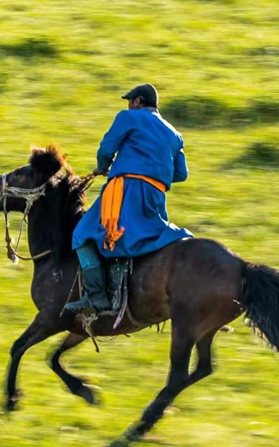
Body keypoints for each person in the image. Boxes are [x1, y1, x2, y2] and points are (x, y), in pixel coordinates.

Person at [64, 83, 193, 315]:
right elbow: (181, 173)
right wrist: (154, 172)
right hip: (155, 195)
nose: (128, 106)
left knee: (81, 234)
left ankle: (95, 295)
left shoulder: (128, 117)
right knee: (146, 235)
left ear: (137, 101)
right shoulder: (175, 134)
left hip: (125, 191)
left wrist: (103, 166)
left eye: (129, 102)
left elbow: (106, 149)